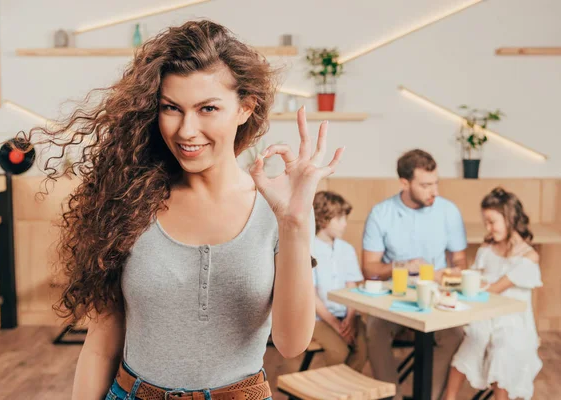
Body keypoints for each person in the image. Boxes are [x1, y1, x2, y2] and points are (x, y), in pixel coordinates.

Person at [33, 20, 343, 400]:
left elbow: (292, 343)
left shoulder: (281, 211)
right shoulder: (129, 201)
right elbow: (100, 343)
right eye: (171, 108)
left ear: (245, 107)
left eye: (208, 108)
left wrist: (294, 224)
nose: (186, 130)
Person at [362, 149, 467, 400]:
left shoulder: (448, 211)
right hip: (395, 297)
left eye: (436, 183)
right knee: (375, 330)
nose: (435, 192)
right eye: (426, 185)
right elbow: (370, 268)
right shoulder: (381, 213)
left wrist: (454, 272)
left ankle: (426, 396)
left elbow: (460, 258)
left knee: (455, 335)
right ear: (404, 183)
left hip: (436, 295)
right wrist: (405, 265)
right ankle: (393, 395)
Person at [445, 187, 542, 400]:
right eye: (485, 223)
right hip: (486, 316)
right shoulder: (487, 250)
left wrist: (462, 281)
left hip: (514, 322)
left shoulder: (528, 257)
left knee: (502, 351)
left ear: (510, 218)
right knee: (473, 342)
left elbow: (494, 288)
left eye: (492, 222)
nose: (488, 228)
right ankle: (448, 397)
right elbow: (477, 277)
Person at [311, 191, 367, 372]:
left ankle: (346, 391)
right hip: (319, 319)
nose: (345, 224)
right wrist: (335, 324)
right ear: (324, 219)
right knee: (339, 352)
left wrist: (350, 318)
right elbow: (311, 295)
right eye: (340, 218)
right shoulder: (308, 249)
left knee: (363, 350)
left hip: (348, 315)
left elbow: (352, 286)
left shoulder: (347, 249)